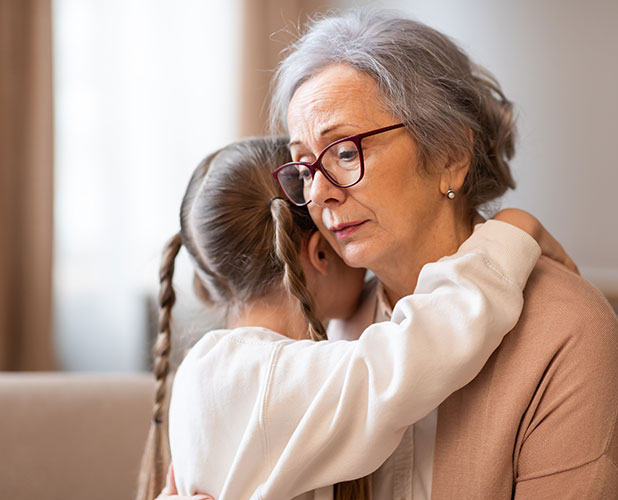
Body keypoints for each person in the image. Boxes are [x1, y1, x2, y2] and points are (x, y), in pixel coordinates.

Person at [263, 9, 618, 499]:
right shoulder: (327, 331)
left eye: (343, 151)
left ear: (451, 155)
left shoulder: (568, 332)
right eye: (303, 165)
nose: (319, 193)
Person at [138, 136, 568, 500]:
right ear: (320, 254)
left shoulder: (203, 371)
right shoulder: (279, 377)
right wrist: (512, 229)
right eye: (343, 237)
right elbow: (437, 340)